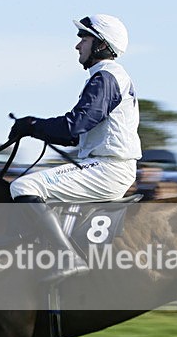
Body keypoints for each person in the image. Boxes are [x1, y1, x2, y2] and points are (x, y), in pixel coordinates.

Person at [8, 14, 141, 283]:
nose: (77, 46)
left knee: (23, 188)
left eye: (84, 39)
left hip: (108, 169)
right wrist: (35, 127)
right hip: (105, 165)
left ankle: (66, 258)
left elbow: (73, 126)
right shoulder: (105, 77)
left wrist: (32, 125)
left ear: (101, 45)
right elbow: (74, 136)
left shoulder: (105, 78)